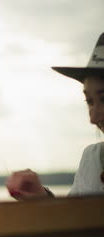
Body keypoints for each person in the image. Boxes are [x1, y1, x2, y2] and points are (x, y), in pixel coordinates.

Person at [6, 32, 104, 200]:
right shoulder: (94, 159)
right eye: (89, 101)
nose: (93, 118)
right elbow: (75, 220)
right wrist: (41, 198)